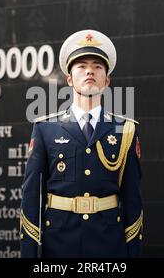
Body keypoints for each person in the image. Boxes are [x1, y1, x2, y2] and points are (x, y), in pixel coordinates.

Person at [20, 29, 143, 257]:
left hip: (108, 242)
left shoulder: (126, 129)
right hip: (59, 241)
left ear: (106, 80)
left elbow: (133, 199)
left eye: (97, 66)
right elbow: (31, 198)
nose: (89, 71)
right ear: (69, 79)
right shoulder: (46, 128)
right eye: (81, 66)